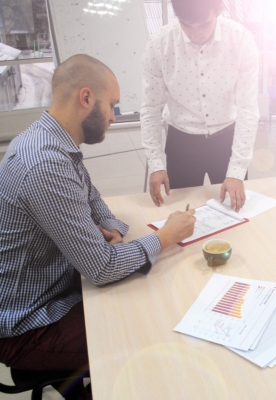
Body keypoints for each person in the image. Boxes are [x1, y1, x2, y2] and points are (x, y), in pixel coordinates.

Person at [0, 54, 196, 389]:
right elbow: (102, 270)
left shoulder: (54, 142)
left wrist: (113, 233)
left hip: (57, 288)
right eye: (112, 106)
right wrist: (164, 236)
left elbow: (96, 204)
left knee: (143, 298)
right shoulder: (45, 164)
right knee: (150, 335)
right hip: (29, 324)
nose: (114, 117)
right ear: (86, 97)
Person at [141, 0, 259, 212]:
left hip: (228, 140)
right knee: (180, 215)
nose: (195, 35)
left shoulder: (241, 40)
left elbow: (248, 109)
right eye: (186, 25)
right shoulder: (159, 44)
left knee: (235, 213)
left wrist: (237, 170)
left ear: (219, 9)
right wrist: (156, 165)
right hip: (182, 142)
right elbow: (150, 109)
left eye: (204, 25)